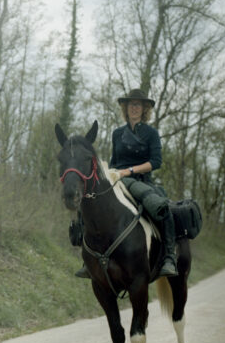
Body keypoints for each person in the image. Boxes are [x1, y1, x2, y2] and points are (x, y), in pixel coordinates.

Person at [75, 88, 178, 279]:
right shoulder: (117, 133)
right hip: (117, 179)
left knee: (162, 208)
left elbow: (156, 162)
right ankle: (88, 260)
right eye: (131, 104)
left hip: (140, 181)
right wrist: (111, 173)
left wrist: (129, 171)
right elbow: (115, 161)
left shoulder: (151, 133)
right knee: (89, 204)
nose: (134, 108)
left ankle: (169, 257)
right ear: (126, 107)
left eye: (138, 104)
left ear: (144, 109)